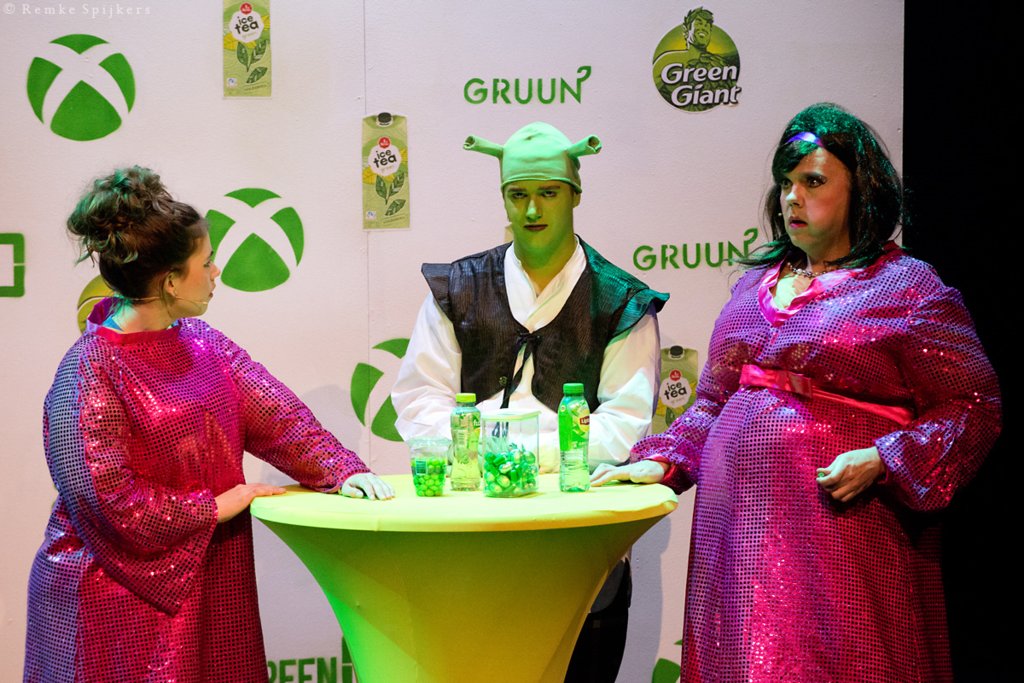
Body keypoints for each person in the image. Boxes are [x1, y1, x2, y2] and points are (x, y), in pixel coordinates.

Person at [592, 103, 1001, 682]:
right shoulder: (754, 286)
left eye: (813, 182)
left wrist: (885, 459)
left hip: (841, 538)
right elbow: (712, 404)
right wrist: (663, 461)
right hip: (737, 532)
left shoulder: (907, 287)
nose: (793, 198)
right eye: (785, 183)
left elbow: (973, 408)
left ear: (861, 190)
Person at [24, 167, 394, 683]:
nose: (217, 271)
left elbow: (280, 419)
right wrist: (215, 507)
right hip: (111, 602)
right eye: (207, 261)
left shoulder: (204, 343)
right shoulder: (88, 369)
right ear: (171, 280)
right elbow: (108, 501)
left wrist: (342, 470)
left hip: (210, 580)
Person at [391, 122, 668, 682]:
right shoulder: (459, 289)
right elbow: (419, 401)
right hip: (471, 535)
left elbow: (624, 424)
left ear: (575, 195)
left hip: (578, 538)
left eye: (548, 193)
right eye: (518, 194)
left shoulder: (621, 301)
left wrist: (516, 455)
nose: (533, 209)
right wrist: (492, 463)